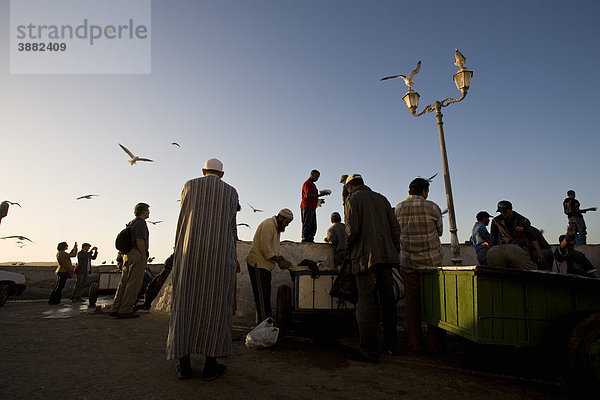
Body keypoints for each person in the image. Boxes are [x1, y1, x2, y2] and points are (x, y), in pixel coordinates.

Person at [166, 158, 240, 381]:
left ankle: (184, 365)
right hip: (218, 257)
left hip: (189, 256)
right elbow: (231, 228)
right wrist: (232, 256)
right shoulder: (231, 192)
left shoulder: (189, 185)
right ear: (222, 174)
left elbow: (182, 221)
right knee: (216, 308)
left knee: (184, 306)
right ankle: (210, 366)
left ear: (203, 171)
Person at [345, 174, 400, 362]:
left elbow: (352, 230)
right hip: (386, 257)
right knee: (388, 301)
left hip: (364, 259)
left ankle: (369, 351)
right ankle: (391, 346)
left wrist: (347, 250)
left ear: (350, 186)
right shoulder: (382, 198)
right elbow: (395, 228)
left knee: (367, 303)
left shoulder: (353, 199)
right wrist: (393, 251)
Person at [395, 177, 444, 353]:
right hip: (431, 264)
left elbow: (395, 233)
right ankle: (435, 344)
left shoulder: (398, 208)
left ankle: (416, 343)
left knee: (412, 305)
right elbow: (440, 231)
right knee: (433, 305)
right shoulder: (432, 206)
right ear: (424, 191)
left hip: (407, 262)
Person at [246, 209, 294, 322]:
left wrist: (282, 259)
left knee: (264, 297)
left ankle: (263, 326)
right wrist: (279, 261)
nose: (287, 225)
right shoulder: (268, 225)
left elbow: (273, 250)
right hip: (258, 264)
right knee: (262, 299)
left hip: (265, 266)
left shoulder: (276, 228)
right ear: (281, 218)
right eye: (286, 222)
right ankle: (264, 327)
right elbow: (265, 249)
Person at [109, 202, 150, 319]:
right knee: (134, 283)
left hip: (127, 255)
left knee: (124, 282)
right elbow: (140, 240)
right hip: (136, 254)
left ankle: (116, 307)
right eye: (147, 210)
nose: (149, 212)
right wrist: (143, 255)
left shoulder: (131, 223)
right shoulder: (141, 223)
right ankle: (126, 309)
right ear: (143, 211)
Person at [488, 200, 540, 270]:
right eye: (501, 212)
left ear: (510, 209)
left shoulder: (523, 220)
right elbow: (493, 238)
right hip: (501, 248)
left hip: (518, 248)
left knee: (530, 270)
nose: (503, 213)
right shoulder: (496, 220)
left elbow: (531, 237)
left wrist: (539, 252)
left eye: (505, 211)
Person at [300, 169, 330, 242]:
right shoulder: (307, 183)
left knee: (313, 225)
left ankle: (310, 238)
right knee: (307, 223)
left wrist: (319, 200)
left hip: (312, 207)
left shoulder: (313, 185)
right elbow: (308, 195)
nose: (317, 179)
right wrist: (320, 195)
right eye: (317, 176)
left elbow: (313, 196)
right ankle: (305, 238)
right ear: (312, 175)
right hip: (307, 206)